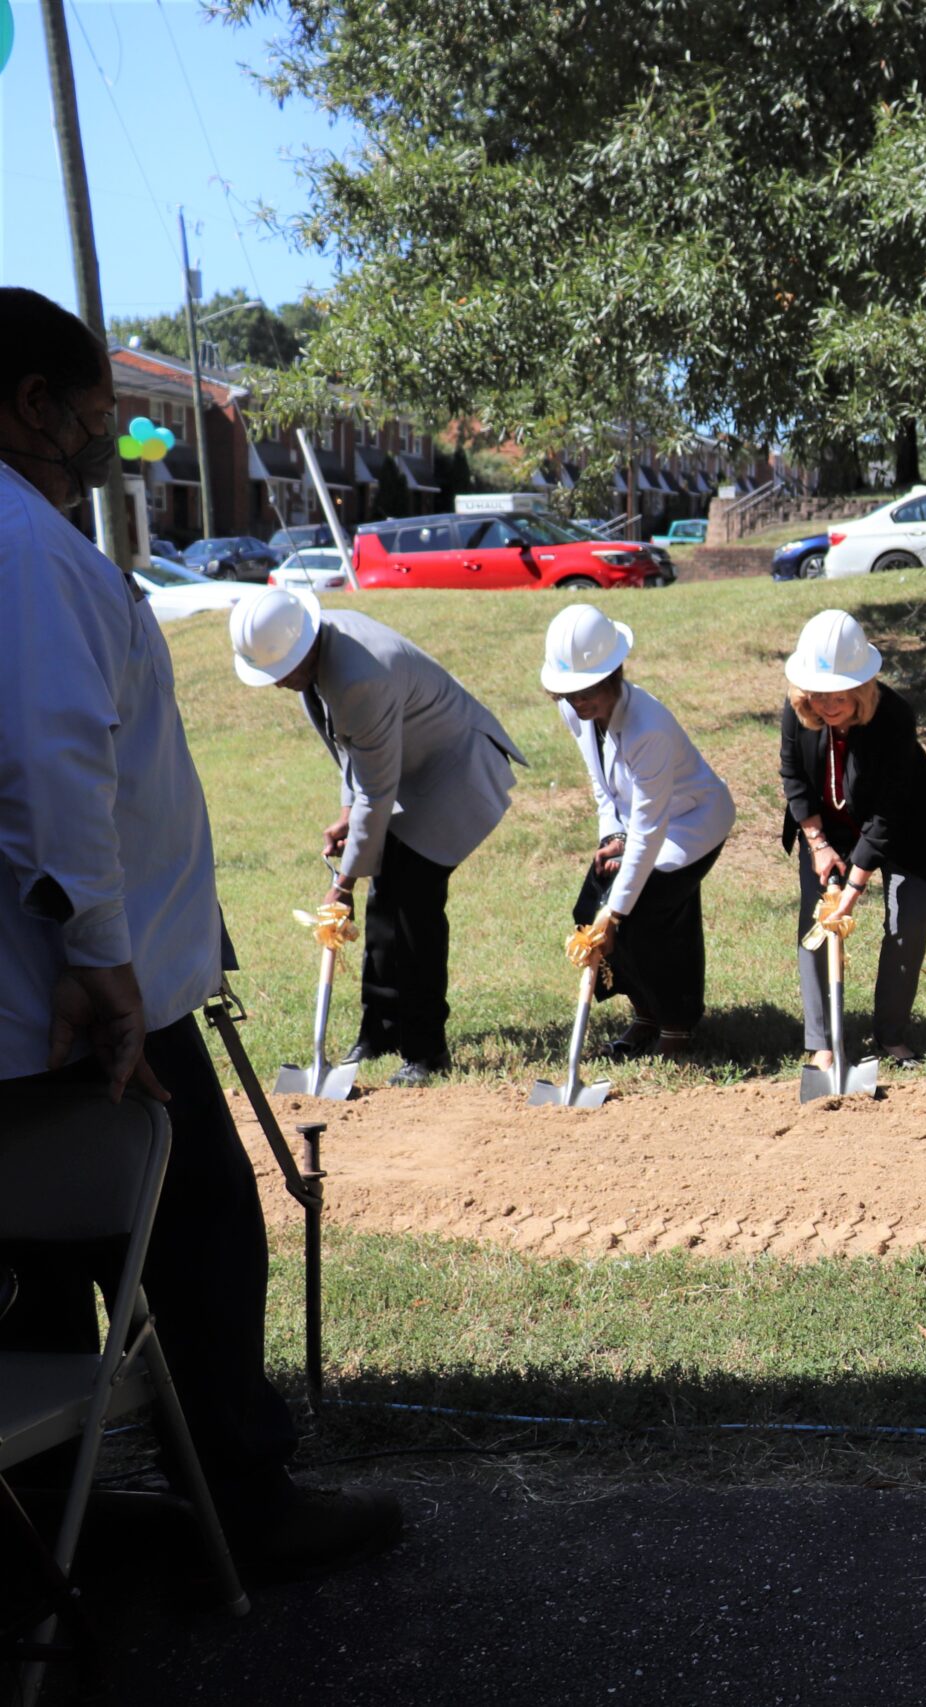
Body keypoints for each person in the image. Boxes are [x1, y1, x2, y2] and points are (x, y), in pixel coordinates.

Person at [0, 285, 399, 1573]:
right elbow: (55, 769)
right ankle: (244, 1502)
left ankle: (52, 1513)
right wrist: (104, 960)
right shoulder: (29, 553)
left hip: (53, 988)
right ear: (32, 407)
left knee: (38, 1262)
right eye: (102, 420)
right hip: (83, 996)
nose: (112, 447)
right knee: (205, 1236)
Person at [228, 590, 526, 1085]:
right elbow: (354, 753)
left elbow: (376, 788)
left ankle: (426, 1049)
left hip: (455, 773)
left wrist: (341, 885)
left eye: (278, 671)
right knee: (386, 895)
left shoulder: (358, 676)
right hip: (410, 772)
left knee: (413, 906)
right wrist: (348, 816)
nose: (276, 683)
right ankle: (382, 1027)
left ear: (301, 649)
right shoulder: (317, 651)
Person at [542, 603, 736, 1058]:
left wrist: (617, 912)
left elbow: (651, 829)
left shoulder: (649, 728)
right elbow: (602, 785)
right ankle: (646, 1013)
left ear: (613, 674)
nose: (578, 700)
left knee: (642, 917)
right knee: (591, 907)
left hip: (692, 824)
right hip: (641, 825)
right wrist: (612, 836)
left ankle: (676, 1024)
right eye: (569, 692)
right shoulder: (579, 714)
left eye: (587, 689)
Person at [778, 609, 926, 1068]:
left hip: (906, 826)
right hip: (826, 827)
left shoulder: (894, 717)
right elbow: (794, 777)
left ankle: (891, 1035)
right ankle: (823, 1044)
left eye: (838, 694)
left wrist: (853, 888)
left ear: (862, 686)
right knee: (817, 922)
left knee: (908, 921)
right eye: (817, 694)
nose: (826, 704)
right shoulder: (798, 710)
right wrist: (817, 844)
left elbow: (888, 812)